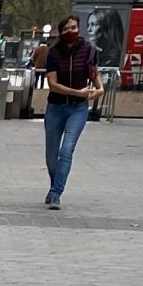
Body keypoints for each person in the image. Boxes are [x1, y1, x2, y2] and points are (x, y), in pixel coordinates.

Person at [43, 13, 101, 211]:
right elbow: (53, 84)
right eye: (66, 29)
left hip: (78, 108)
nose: (71, 32)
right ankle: (54, 186)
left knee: (66, 150)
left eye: (74, 27)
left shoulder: (89, 51)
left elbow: (94, 74)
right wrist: (78, 92)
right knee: (51, 155)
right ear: (60, 32)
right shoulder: (53, 53)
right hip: (56, 107)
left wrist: (99, 88)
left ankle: (56, 193)